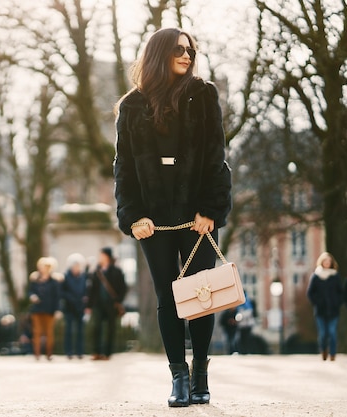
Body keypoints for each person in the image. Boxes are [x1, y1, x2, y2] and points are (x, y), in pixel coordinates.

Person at [114, 28, 232, 407]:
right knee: (167, 297)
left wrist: (211, 210)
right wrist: (133, 216)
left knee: (201, 295)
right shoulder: (132, 105)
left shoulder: (203, 94)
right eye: (179, 49)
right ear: (159, 53)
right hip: (155, 221)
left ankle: (200, 374)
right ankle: (178, 376)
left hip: (197, 218)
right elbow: (124, 168)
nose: (187, 54)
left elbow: (217, 157)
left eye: (190, 49)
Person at [87, 247, 127, 361]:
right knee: (96, 327)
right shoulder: (96, 271)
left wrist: (118, 300)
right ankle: (96, 352)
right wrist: (89, 305)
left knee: (110, 329)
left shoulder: (116, 271)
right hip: (98, 303)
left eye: (102, 255)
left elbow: (123, 288)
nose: (100, 258)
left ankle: (107, 353)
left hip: (111, 304)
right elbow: (91, 289)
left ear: (107, 256)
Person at [307, 252, 344, 361]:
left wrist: (337, 302)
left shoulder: (335, 276)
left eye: (329, 261)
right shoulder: (316, 276)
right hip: (320, 310)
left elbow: (340, 292)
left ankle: (332, 354)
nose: (327, 263)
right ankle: (323, 350)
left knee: (332, 332)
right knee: (323, 334)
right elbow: (310, 293)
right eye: (325, 261)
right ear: (322, 262)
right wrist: (317, 302)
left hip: (333, 310)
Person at [28, 257, 63, 361]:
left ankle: (49, 354)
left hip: (49, 309)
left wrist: (58, 309)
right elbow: (30, 291)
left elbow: (57, 297)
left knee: (49, 332)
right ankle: (37, 354)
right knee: (37, 332)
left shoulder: (54, 281)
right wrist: (32, 296)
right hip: (37, 309)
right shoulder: (35, 279)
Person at [61, 253, 88, 359]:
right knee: (69, 331)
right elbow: (62, 292)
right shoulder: (65, 277)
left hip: (80, 307)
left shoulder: (83, 277)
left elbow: (86, 290)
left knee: (80, 331)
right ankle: (69, 351)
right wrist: (71, 298)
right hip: (69, 307)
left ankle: (80, 352)